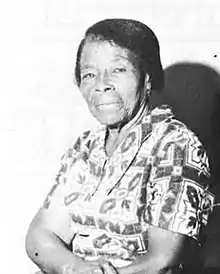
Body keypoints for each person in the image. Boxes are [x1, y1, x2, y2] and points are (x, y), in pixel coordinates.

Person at [26, 18, 215, 274]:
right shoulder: (87, 146)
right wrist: (76, 268)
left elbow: (163, 263)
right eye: (89, 74)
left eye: (118, 70)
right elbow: (41, 236)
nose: (101, 83)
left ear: (147, 78)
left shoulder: (175, 146)